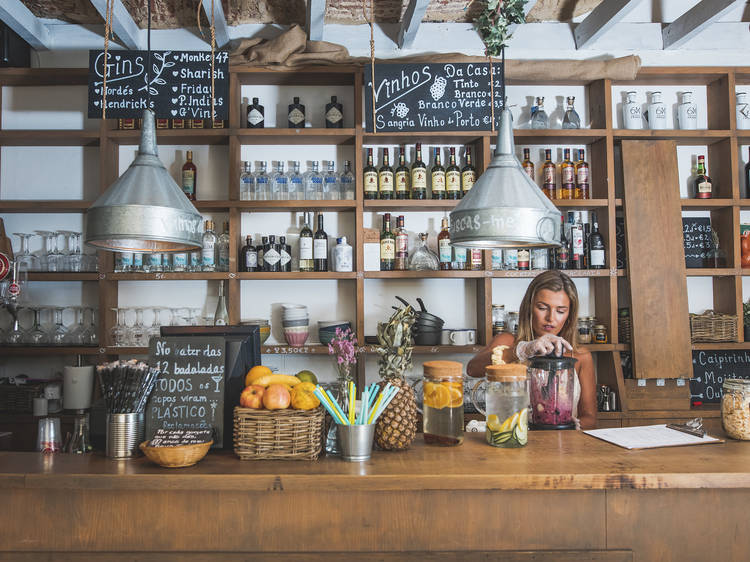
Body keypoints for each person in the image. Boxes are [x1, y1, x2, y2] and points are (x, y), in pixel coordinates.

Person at [467, 270, 597, 429]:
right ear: (529, 307)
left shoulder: (580, 356)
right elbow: (473, 369)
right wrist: (522, 350)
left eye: (561, 311)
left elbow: (590, 417)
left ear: (570, 315)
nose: (551, 318)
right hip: (511, 442)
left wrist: (574, 426)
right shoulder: (507, 342)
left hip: (562, 446)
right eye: (543, 308)